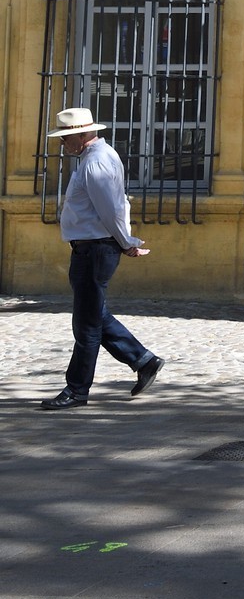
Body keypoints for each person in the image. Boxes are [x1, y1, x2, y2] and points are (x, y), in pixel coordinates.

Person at [40, 107, 165, 410]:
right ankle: (143, 360)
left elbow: (112, 210)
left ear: (82, 135)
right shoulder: (96, 157)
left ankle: (77, 389)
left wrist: (127, 243)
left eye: (65, 138)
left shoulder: (96, 162)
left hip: (95, 249)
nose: (62, 144)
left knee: (86, 325)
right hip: (91, 248)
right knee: (94, 314)